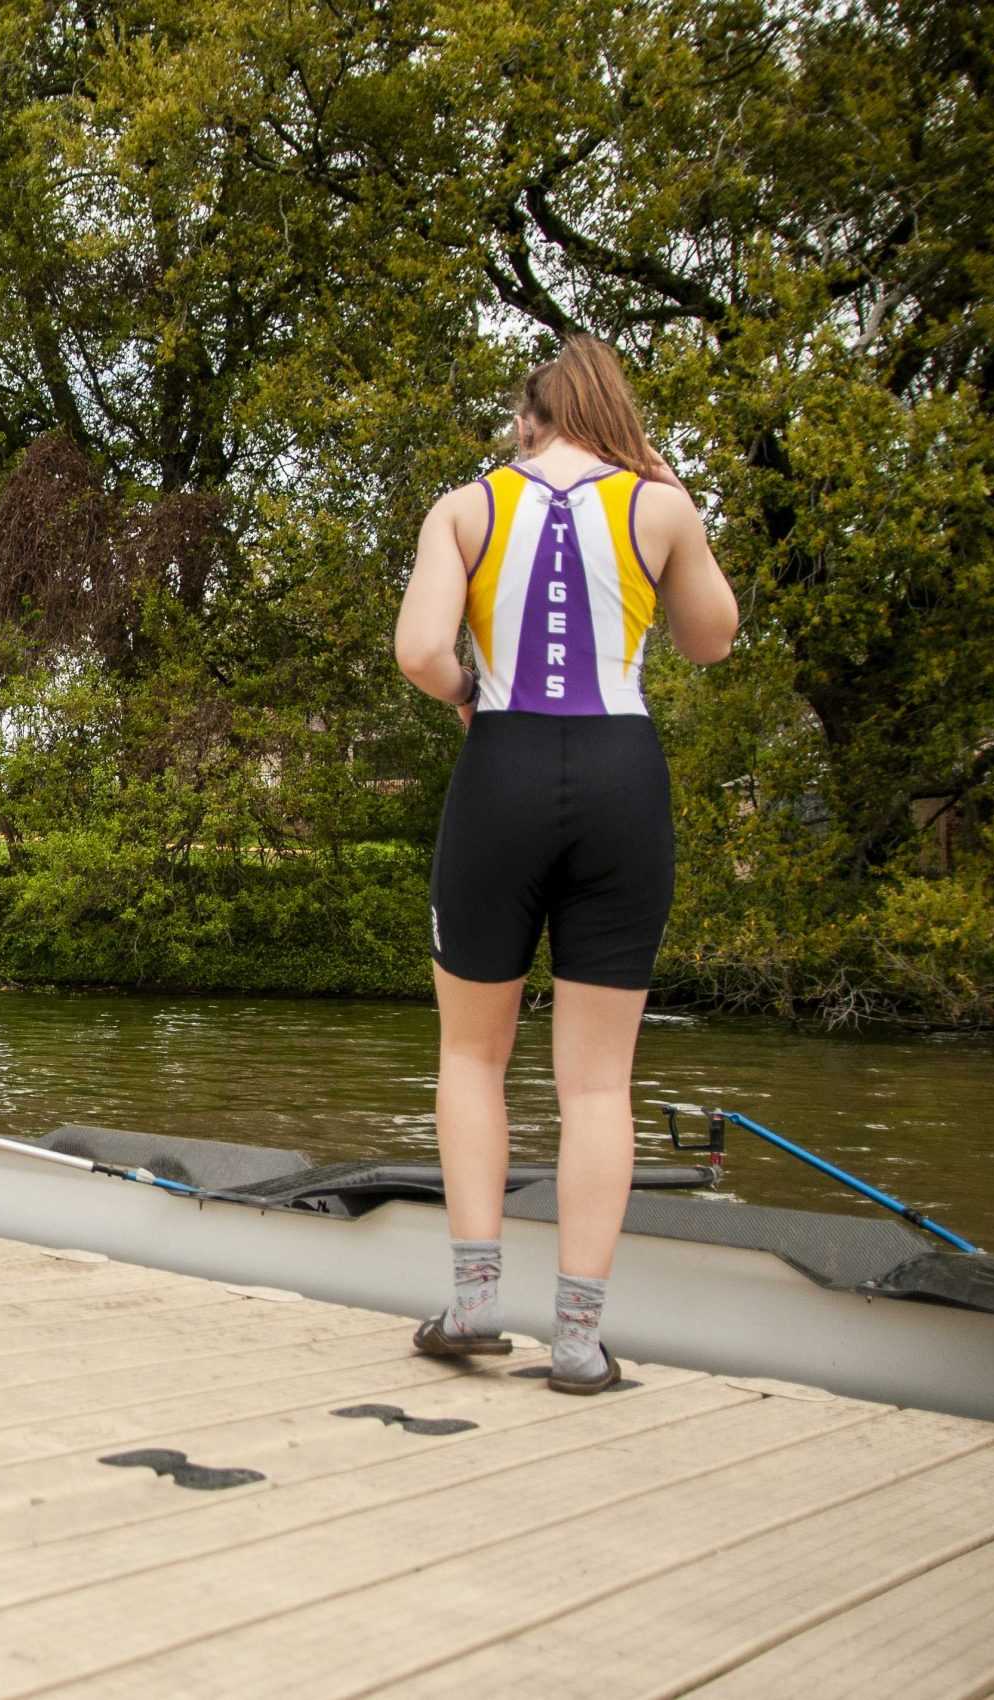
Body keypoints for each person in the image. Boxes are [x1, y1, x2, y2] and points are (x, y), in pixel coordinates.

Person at [392, 335, 739, 1393]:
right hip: (620, 776)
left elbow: (419, 651)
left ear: (530, 419)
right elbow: (711, 638)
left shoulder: (462, 505)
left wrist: (465, 692)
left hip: (500, 766)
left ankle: (474, 1302)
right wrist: (677, 499)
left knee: (471, 1055)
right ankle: (581, 1340)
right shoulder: (656, 504)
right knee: (597, 1081)